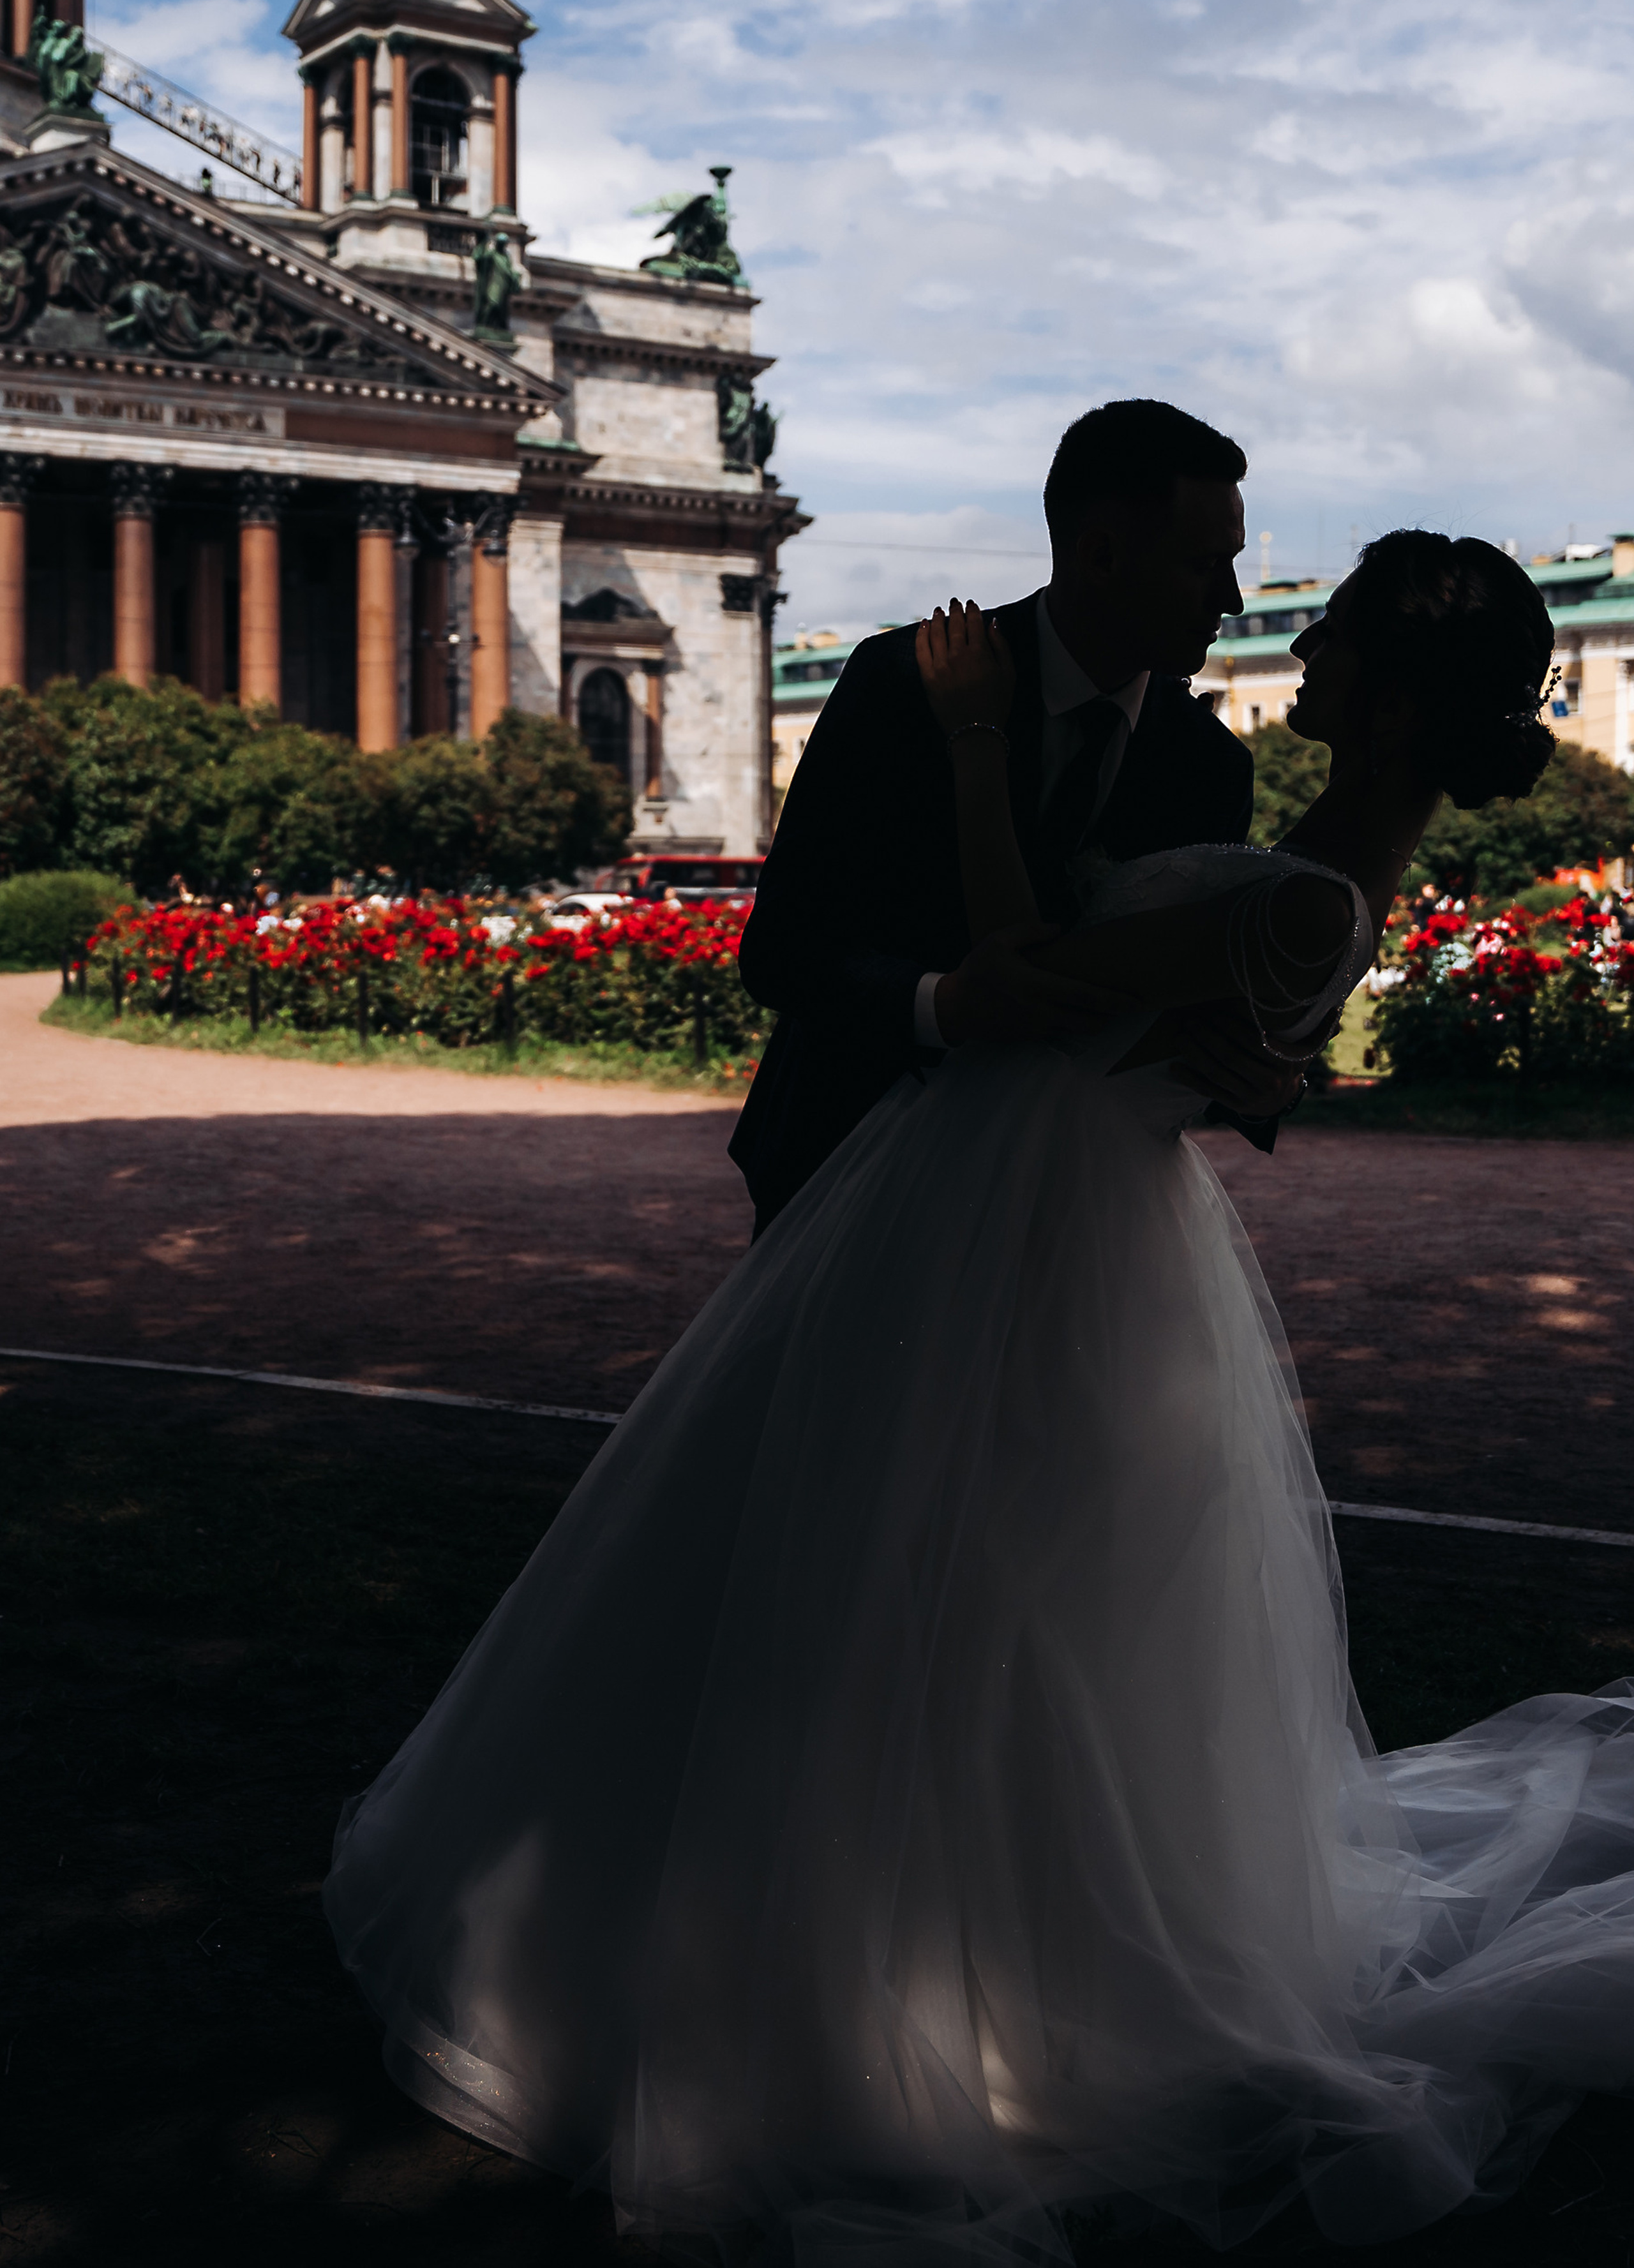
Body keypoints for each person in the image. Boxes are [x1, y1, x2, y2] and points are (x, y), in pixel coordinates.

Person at [326, 528, 1634, 2263]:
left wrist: (960, 735)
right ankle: (954, 1943)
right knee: (971, 1604)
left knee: (946, 1593)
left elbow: (1020, 971)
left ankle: (931, 1984)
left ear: (1388, 709)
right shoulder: (1313, 866)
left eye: (1328, 651)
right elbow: (1201, 1022)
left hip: (1031, 1249)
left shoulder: (1310, 890)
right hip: (1032, 1225)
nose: (1282, 651)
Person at [730, 399, 1307, 1233]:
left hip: (1073, 1209)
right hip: (846, 1176)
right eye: (1202, 565)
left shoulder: (1211, 766)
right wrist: (943, 1006)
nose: (1232, 598)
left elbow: (1180, 1007)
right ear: (1101, 556)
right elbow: (784, 952)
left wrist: (1264, 1084)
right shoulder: (902, 685)